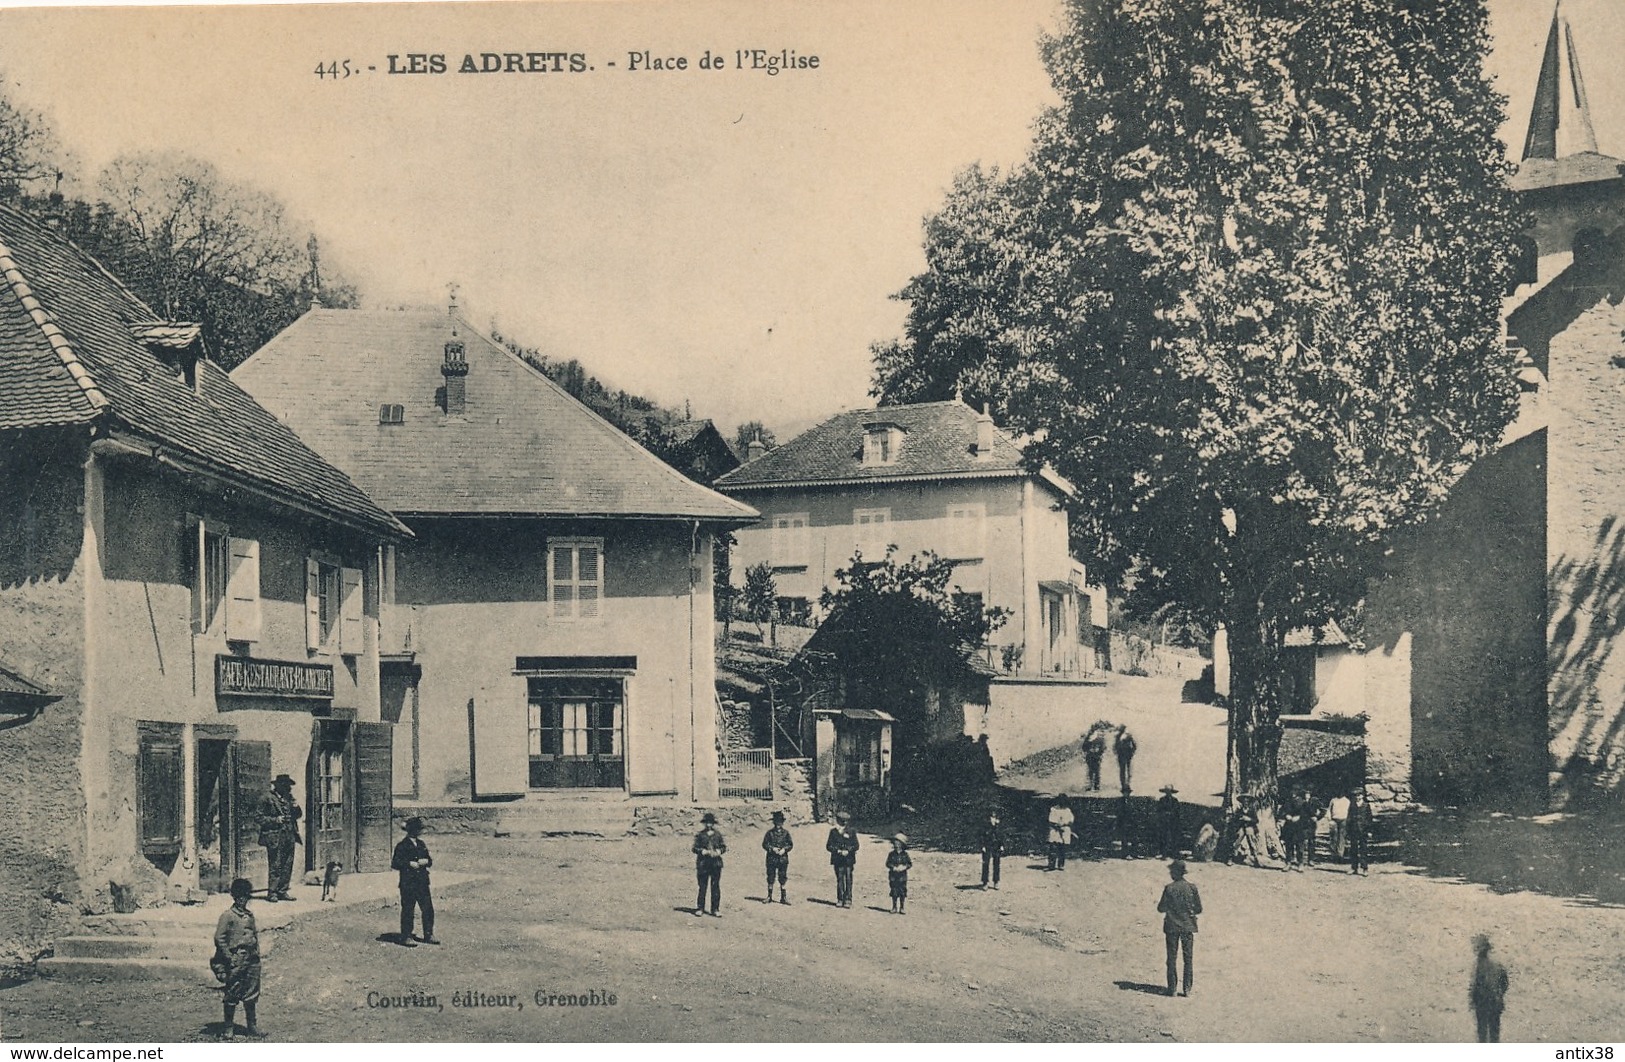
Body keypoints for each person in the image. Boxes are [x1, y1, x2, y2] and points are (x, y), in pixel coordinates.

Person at [213, 877, 263, 1038]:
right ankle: (229, 1028)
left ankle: (252, 1026)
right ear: (234, 897)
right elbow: (219, 938)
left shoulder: (250, 916)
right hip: (236, 959)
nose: (243, 900)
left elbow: (254, 936)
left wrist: (257, 954)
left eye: (246, 897)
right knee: (233, 991)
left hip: (252, 959)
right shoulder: (227, 916)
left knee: (252, 992)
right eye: (240, 897)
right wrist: (229, 957)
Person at [1156, 860, 1202, 997]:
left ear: (1175, 873)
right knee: (1188, 958)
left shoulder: (1169, 888)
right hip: (1188, 926)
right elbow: (1199, 909)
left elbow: (1160, 908)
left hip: (1172, 926)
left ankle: (1172, 989)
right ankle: (1187, 989)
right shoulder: (1192, 888)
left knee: (1171, 958)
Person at [392, 815, 437, 945]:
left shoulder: (421, 844)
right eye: (418, 829)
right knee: (408, 909)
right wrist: (409, 864)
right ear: (412, 830)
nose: (420, 832)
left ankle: (428, 934)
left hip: (422, 882)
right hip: (408, 883)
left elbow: (429, 860)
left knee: (428, 909)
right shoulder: (402, 845)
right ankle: (406, 936)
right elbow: (395, 863)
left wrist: (426, 861)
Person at [256, 774, 302, 902]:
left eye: (289, 786)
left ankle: (283, 891)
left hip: (289, 835)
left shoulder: (289, 798)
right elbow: (258, 817)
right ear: (278, 786)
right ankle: (272, 893)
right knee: (275, 864)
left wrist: (296, 807)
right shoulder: (266, 798)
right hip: (275, 836)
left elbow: (298, 815)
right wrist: (276, 820)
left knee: (288, 864)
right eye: (286, 786)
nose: (289, 788)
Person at [1469, 934, 1509, 1043]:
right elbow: (1505, 983)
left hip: (1483, 1004)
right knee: (1494, 1033)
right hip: (1495, 1003)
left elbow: (1476, 986)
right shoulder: (1497, 964)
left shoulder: (1479, 965)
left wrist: (1472, 1000)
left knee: (1482, 1033)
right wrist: (1500, 994)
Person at [692, 811, 727, 917]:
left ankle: (715, 909)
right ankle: (700, 908)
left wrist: (718, 852)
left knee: (715, 886)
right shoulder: (701, 835)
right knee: (702, 886)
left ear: (713, 824)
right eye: (707, 823)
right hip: (703, 863)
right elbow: (694, 848)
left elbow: (723, 847)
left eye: (710, 823)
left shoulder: (717, 835)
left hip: (715, 863)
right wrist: (703, 851)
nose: (708, 825)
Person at [826, 811, 859, 908]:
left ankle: (848, 899)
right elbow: (829, 846)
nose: (843, 824)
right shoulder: (833, 832)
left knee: (848, 879)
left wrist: (848, 851)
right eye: (841, 822)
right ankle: (840, 899)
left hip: (849, 860)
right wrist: (838, 851)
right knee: (840, 879)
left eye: (845, 822)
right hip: (838, 860)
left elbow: (856, 845)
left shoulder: (851, 831)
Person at [761, 810, 793, 905]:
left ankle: (783, 897)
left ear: (782, 823)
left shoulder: (786, 833)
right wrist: (772, 849)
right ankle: (769, 896)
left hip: (782, 859)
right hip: (771, 858)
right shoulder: (769, 833)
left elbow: (790, 844)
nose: (778, 824)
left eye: (780, 822)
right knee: (771, 876)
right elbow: (765, 844)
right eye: (776, 822)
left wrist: (784, 849)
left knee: (782, 877)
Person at [1346, 790, 1373, 875]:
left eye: (1359, 795)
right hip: (1353, 830)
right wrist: (1348, 830)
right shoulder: (1352, 805)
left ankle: (1365, 868)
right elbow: (1349, 818)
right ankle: (1354, 868)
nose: (1357, 797)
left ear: (1362, 796)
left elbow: (1369, 819)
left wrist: (1369, 831)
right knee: (1353, 849)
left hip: (1363, 830)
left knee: (1363, 849)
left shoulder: (1366, 805)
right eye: (1356, 796)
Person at [1046, 794, 1074, 870]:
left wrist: (1064, 824)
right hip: (1055, 831)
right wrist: (1057, 826)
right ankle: (1051, 865)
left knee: (1062, 849)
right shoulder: (1054, 810)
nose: (1062, 803)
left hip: (1064, 831)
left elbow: (1071, 821)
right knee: (1053, 847)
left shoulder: (1067, 810)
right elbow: (1051, 821)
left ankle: (1061, 865)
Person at [979, 809, 1005, 890]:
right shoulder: (985, 826)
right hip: (987, 846)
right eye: (991, 817)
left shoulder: (998, 826)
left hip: (996, 846)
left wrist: (1001, 845)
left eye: (994, 817)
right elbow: (981, 836)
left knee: (996, 864)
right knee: (985, 864)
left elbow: (1001, 836)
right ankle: (985, 882)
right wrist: (982, 846)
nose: (993, 819)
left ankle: (996, 881)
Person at [886, 834, 912, 914]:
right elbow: (888, 863)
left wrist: (904, 867)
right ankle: (894, 907)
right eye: (895, 842)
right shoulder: (891, 854)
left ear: (902, 844)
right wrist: (893, 867)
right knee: (894, 890)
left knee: (902, 891)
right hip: (893, 876)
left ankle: (902, 907)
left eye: (898, 842)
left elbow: (909, 864)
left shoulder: (905, 855)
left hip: (902, 876)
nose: (896, 844)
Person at [1155, 785, 1182, 858]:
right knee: (1164, 837)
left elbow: (1177, 810)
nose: (1168, 793)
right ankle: (1164, 853)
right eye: (1167, 792)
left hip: (1173, 822)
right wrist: (1164, 814)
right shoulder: (1162, 800)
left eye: (1169, 792)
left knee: (1173, 837)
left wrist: (1171, 814)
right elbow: (1159, 810)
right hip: (1164, 822)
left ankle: (1174, 853)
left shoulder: (1175, 800)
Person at [1327, 790, 1352, 862]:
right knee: (1333, 837)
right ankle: (1333, 854)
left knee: (1341, 837)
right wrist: (1329, 819)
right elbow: (1329, 810)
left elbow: (1349, 811)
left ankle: (1340, 855)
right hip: (1334, 820)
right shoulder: (1333, 800)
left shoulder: (1347, 801)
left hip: (1343, 820)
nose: (1340, 793)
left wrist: (1348, 820)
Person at [1114, 725, 1138, 794]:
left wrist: (1132, 752)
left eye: (1122, 729)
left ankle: (1127, 784)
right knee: (1122, 771)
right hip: (1121, 756)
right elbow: (1115, 746)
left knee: (1128, 770)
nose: (1121, 730)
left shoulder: (1128, 736)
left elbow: (1134, 745)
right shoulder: (1117, 736)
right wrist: (1117, 752)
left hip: (1127, 755)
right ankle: (1123, 785)